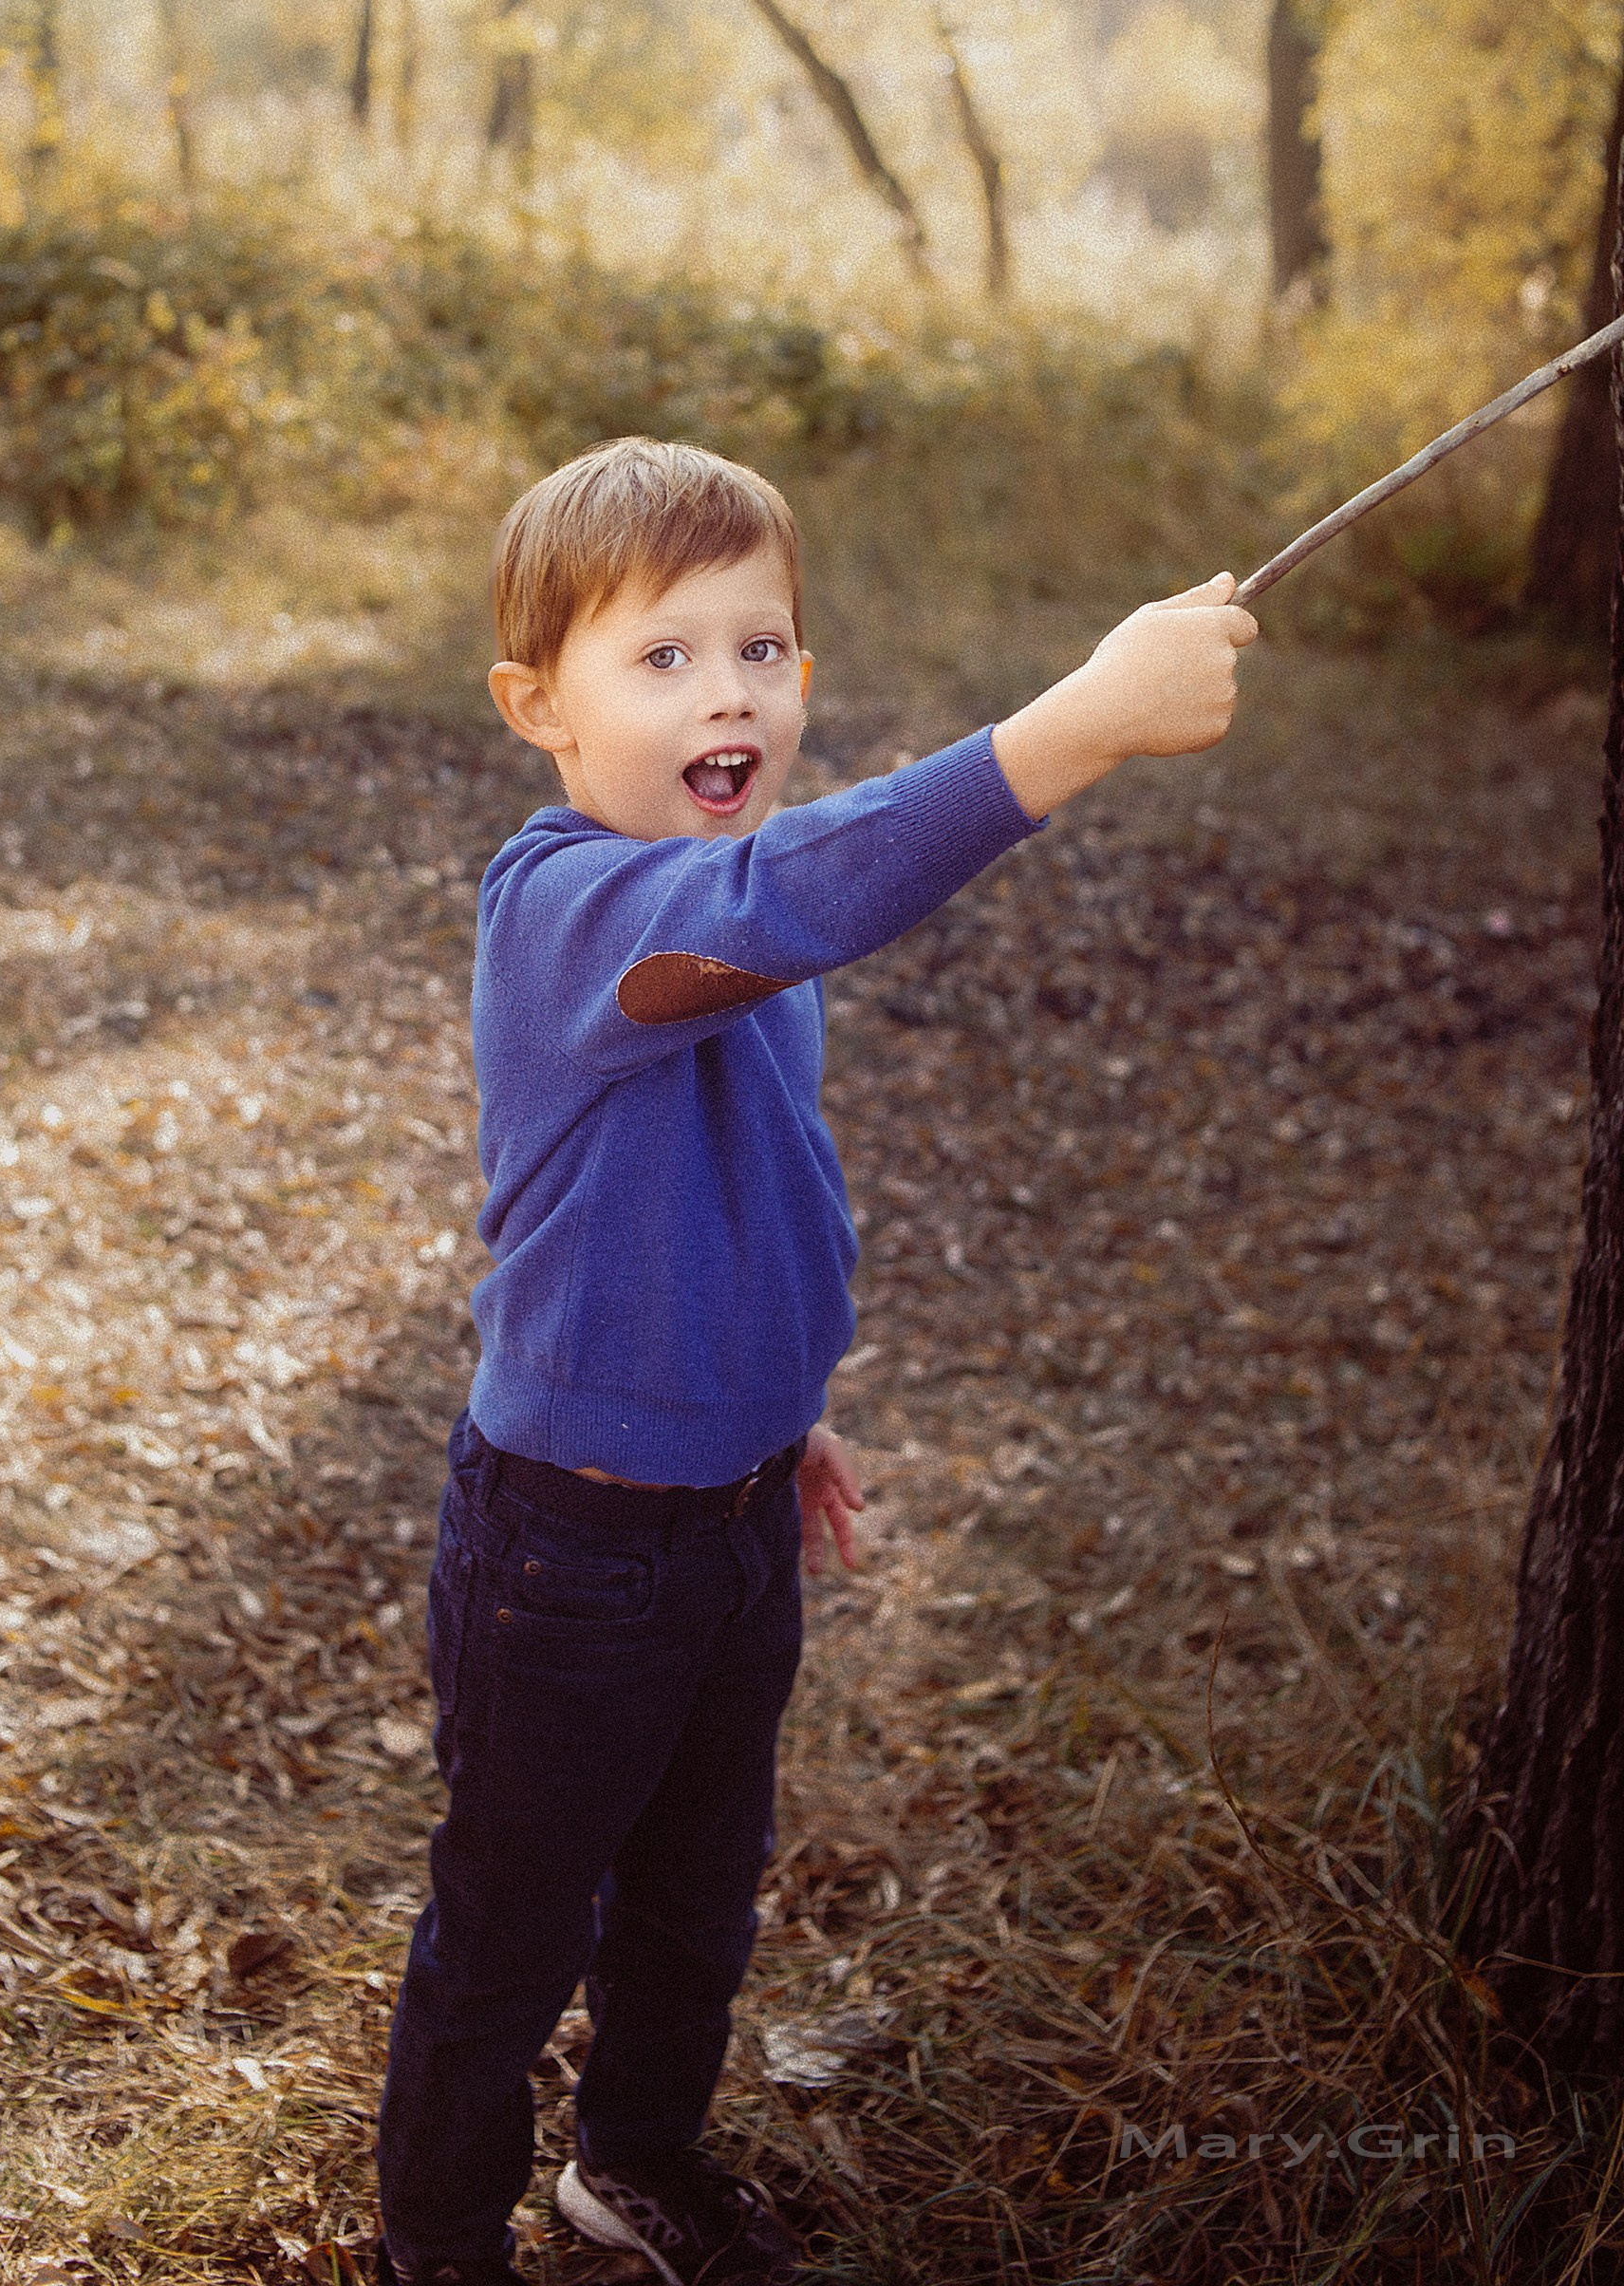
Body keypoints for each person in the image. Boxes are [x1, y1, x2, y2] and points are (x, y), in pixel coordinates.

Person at [371, 439, 1257, 2286]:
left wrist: (782, 1404)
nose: (730, 695)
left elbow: (735, 1191)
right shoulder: (572, 917)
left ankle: (634, 2167)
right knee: (512, 1927)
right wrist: (1074, 724)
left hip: (732, 1512)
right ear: (536, 706)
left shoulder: (736, 895)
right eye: (664, 657)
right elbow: (792, 903)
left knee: (696, 1904)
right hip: (570, 1552)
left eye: (761, 650)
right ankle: (437, 2241)